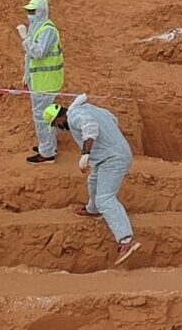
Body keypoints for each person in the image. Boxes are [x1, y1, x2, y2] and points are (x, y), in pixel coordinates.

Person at [48, 96, 138, 265]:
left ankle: (126, 240)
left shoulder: (74, 116)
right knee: (93, 180)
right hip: (108, 156)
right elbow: (112, 119)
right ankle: (93, 209)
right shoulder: (88, 108)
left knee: (106, 198)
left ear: (59, 120)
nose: (60, 129)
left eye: (56, 126)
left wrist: (86, 153)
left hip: (114, 158)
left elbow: (90, 127)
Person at [19, 0, 65, 163]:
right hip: (39, 81)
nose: (29, 14)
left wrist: (25, 39)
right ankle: (47, 145)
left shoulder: (47, 30)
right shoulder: (36, 27)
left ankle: (47, 154)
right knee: (43, 115)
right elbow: (29, 56)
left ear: (41, 12)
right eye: (28, 11)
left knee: (43, 116)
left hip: (46, 82)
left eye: (33, 11)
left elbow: (38, 53)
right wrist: (27, 74)